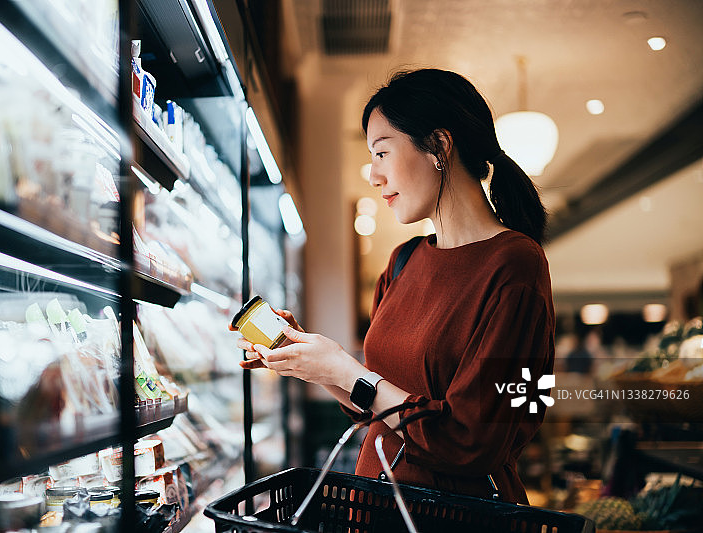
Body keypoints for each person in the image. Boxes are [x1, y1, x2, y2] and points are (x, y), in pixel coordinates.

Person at [232, 69, 555, 504]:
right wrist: (316, 365)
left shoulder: (515, 265)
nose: (373, 175)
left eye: (382, 153)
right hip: (378, 509)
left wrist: (348, 371)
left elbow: (472, 442)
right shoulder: (404, 261)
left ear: (439, 146)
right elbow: (379, 410)